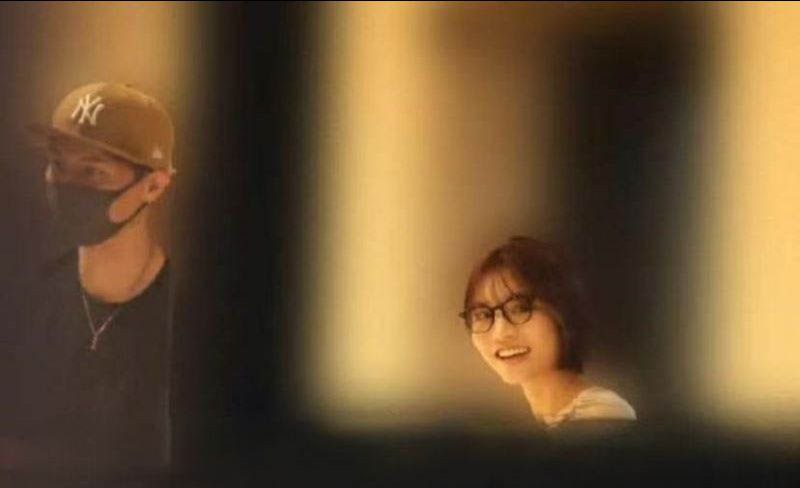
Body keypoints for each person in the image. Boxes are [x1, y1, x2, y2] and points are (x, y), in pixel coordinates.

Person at [0, 82, 176, 472]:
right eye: (59, 165)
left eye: (93, 171)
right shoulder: (24, 293)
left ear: (153, 185)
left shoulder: (183, 318)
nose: (68, 185)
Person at [460, 236, 636, 433]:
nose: (500, 333)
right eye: (483, 315)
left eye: (519, 308)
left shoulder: (601, 414)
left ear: (561, 311)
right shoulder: (516, 425)